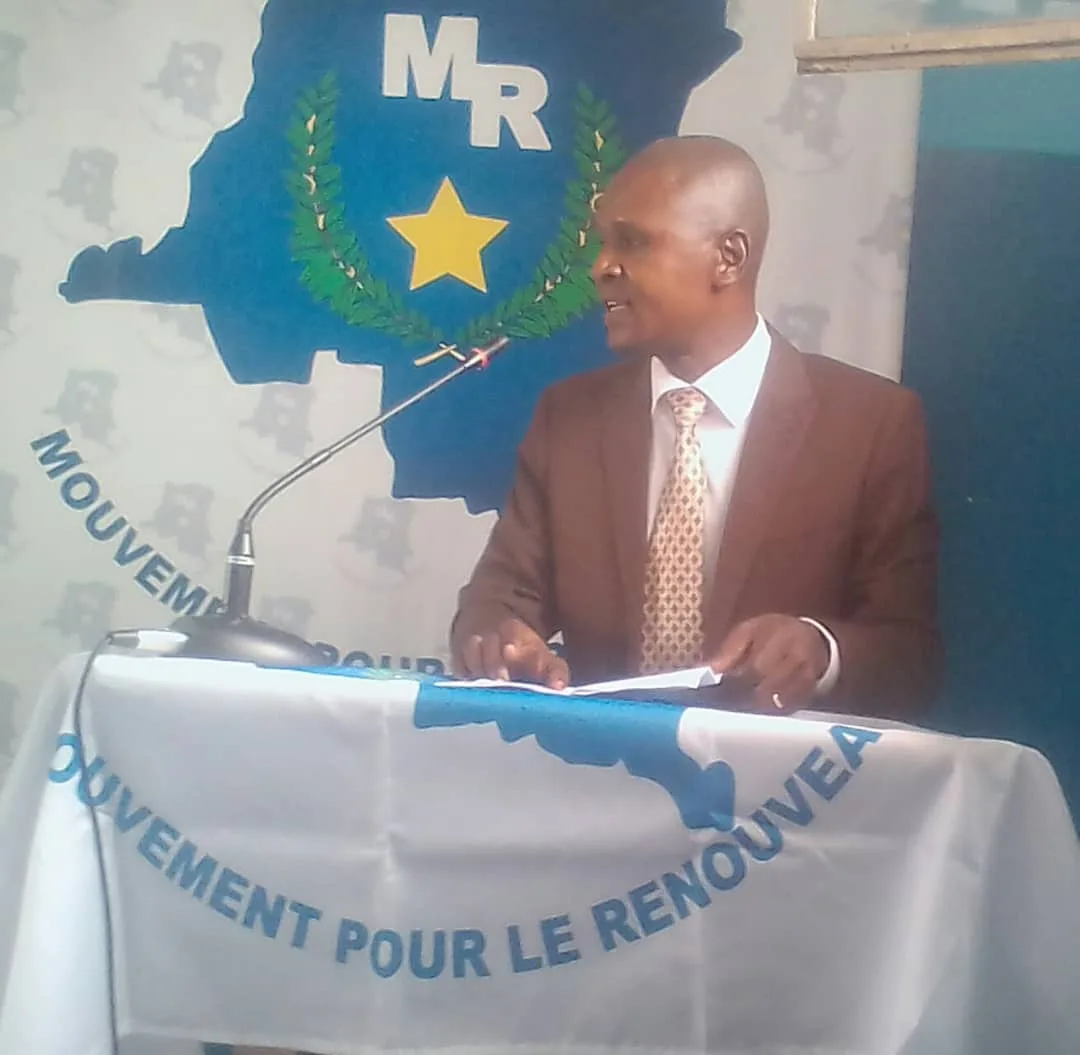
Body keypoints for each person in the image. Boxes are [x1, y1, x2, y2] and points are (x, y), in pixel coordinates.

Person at [450, 135, 942, 718]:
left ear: (728, 257)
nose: (601, 268)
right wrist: (498, 639)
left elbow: (909, 656)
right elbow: (498, 598)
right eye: (604, 243)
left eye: (633, 242)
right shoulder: (570, 418)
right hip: (596, 765)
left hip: (775, 774)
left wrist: (820, 648)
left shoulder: (870, 425)